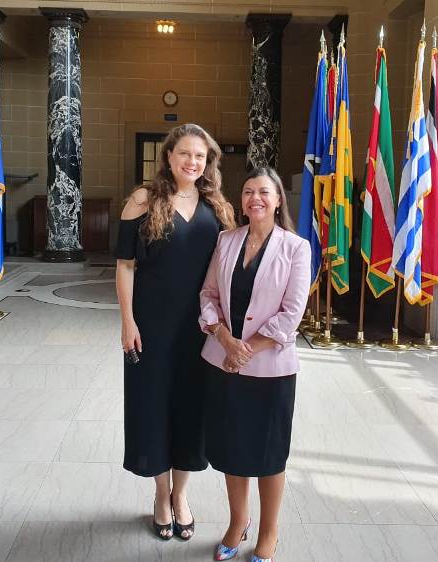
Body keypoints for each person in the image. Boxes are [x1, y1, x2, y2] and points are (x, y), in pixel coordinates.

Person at [115, 123, 236, 541]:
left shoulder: (217, 206)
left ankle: (181, 495)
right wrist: (127, 320)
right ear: (169, 156)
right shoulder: (143, 200)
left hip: (199, 328)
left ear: (208, 163)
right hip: (151, 324)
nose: (192, 161)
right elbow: (126, 265)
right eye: (184, 153)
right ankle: (160, 495)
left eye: (200, 156)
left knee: (192, 409)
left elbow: (227, 273)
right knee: (153, 407)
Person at [198, 167, 310, 562]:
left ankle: (268, 531)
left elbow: (291, 312)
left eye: (264, 191)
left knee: (268, 453)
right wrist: (225, 339)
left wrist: (246, 348)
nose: (254, 198)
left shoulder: (296, 247)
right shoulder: (225, 240)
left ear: (279, 199)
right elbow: (209, 294)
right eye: (247, 191)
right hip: (223, 362)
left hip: (270, 370)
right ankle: (237, 521)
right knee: (231, 447)